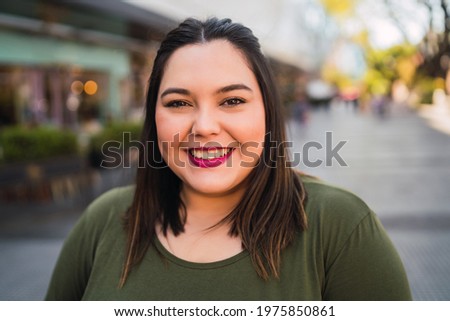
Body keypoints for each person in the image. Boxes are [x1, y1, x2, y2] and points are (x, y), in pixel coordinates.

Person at [45, 17, 411, 300]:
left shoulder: (342, 229)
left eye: (232, 101)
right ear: (153, 118)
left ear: (267, 111)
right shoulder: (103, 221)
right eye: (178, 103)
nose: (203, 127)